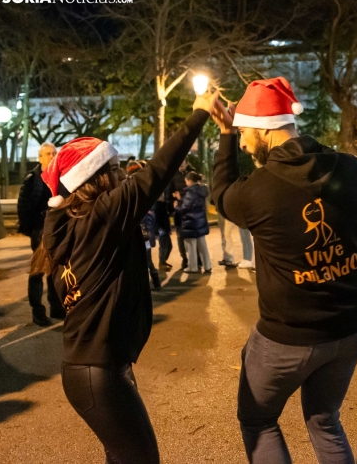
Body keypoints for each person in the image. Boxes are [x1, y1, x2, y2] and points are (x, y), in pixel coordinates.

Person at [211, 76, 357, 464]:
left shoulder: (258, 189)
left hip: (285, 339)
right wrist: (351, 292)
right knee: (325, 420)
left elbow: (220, 196)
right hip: (351, 329)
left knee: (258, 420)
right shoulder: (351, 168)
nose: (243, 142)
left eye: (244, 132)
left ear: (262, 131)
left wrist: (224, 135)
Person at [41, 92, 216, 463]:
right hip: (98, 373)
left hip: (96, 367)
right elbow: (158, 172)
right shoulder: (102, 219)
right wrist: (199, 112)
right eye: (116, 167)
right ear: (99, 177)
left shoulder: (77, 225)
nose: (123, 173)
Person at [18, 142, 64, 326]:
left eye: (54, 153)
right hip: (39, 230)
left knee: (54, 271)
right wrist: (31, 230)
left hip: (55, 230)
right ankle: (38, 312)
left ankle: (56, 307)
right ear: (40, 157)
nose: (52, 156)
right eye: (48, 154)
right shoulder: (33, 178)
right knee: (37, 271)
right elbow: (23, 207)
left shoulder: (60, 177)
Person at [127, 160, 162, 291]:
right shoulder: (147, 189)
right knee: (147, 261)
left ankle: (147, 285)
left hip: (141, 233)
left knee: (142, 262)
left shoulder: (133, 191)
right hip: (146, 233)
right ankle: (156, 282)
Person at [174, 171, 211, 274]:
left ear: (190, 181)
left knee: (190, 246)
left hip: (190, 223)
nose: (185, 183)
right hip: (200, 222)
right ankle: (207, 265)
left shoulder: (191, 192)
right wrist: (181, 199)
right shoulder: (201, 190)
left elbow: (185, 208)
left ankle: (192, 267)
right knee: (202, 246)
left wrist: (176, 206)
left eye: (186, 181)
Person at [168, 160, 192, 269]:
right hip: (178, 210)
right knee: (180, 235)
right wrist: (172, 205)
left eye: (182, 164)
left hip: (190, 209)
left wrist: (180, 195)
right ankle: (185, 259)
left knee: (192, 235)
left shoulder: (192, 173)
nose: (180, 166)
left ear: (186, 163)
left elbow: (195, 191)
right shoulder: (173, 175)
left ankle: (196, 259)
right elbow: (170, 192)